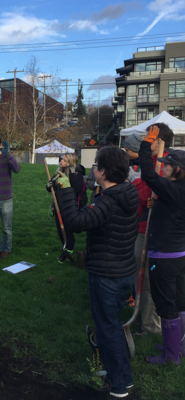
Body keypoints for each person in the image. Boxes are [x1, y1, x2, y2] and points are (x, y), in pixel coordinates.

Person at [57, 147, 138, 398]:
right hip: (123, 271)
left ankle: (119, 389)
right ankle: (123, 376)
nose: (93, 170)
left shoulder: (108, 201)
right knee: (112, 325)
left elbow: (75, 222)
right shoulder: (128, 192)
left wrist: (66, 189)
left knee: (107, 330)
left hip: (107, 275)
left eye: (95, 166)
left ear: (102, 171)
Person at [138, 125, 185, 366]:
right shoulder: (178, 190)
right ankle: (178, 346)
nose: (163, 166)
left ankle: (170, 356)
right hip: (179, 255)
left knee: (166, 305)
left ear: (176, 169)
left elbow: (147, 173)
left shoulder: (174, 190)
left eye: (167, 165)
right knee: (180, 303)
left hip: (164, 257)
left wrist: (146, 144)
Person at [124, 130, 172, 336]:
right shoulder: (146, 163)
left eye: (150, 139)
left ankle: (152, 326)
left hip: (152, 230)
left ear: (158, 142)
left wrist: (135, 181)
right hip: (140, 225)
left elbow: (149, 196)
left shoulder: (162, 166)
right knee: (139, 276)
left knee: (150, 280)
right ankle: (142, 317)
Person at [46, 153, 87, 263]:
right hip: (59, 206)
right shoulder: (59, 173)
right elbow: (51, 189)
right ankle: (65, 249)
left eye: (64, 160)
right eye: (61, 160)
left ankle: (69, 251)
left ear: (70, 162)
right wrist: (49, 185)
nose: (61, 162)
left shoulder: (76, 175)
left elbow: (77, 189)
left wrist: (72, 175)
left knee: (67, 231)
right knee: (60, 231)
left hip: (70, 207)